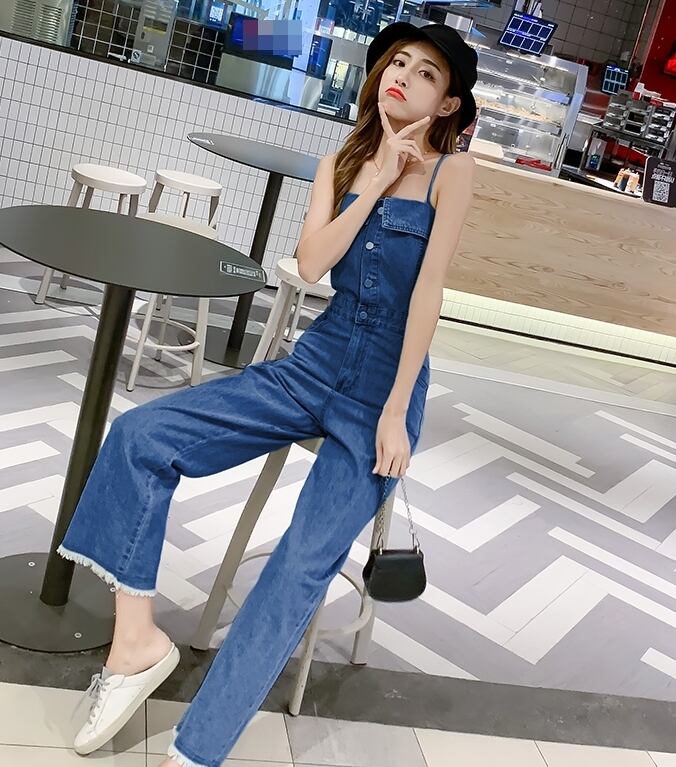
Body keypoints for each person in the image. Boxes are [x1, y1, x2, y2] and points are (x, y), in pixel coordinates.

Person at [58, 21, 478, 767]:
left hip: (383, 389)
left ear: (447, 103)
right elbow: (312, 265)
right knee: (140, 435)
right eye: (399, 62)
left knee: (300, 563)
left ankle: (197, 750)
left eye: (427, 74)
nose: (403, 77)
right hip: (315, 361)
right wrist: (376, 177)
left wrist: (394, 411)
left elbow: (429, 295)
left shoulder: (453, 172)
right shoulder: (341, 163)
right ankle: (134, 645)